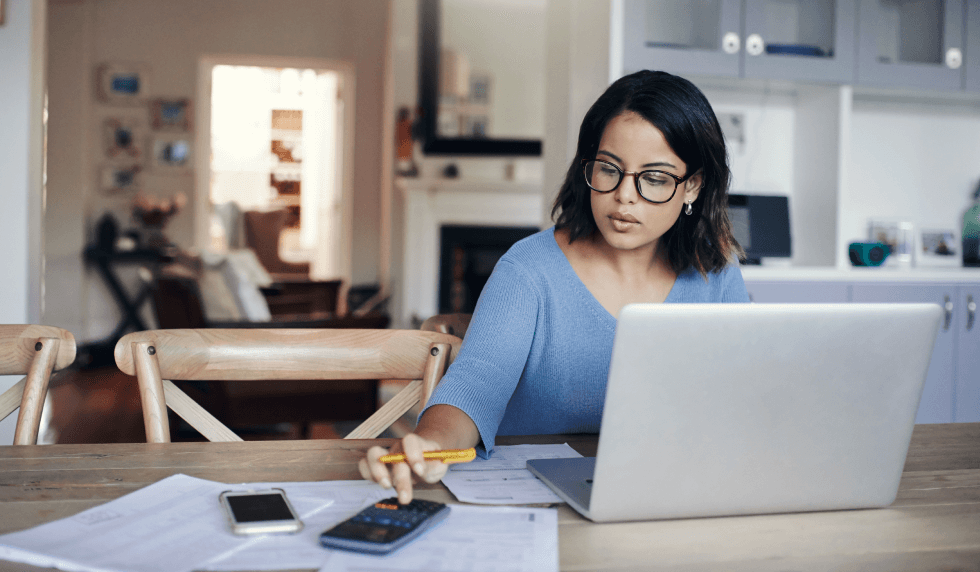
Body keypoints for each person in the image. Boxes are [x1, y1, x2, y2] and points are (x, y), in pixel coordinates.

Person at [359, 70, 750, 503]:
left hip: (667, 496)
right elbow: (474, 387)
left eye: (654, 178)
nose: (625, 196)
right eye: (609, 169)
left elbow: (743, 399)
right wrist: (430, 445)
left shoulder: (716, 272)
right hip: (535, 502)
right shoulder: (527, 271)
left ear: (692, 185)